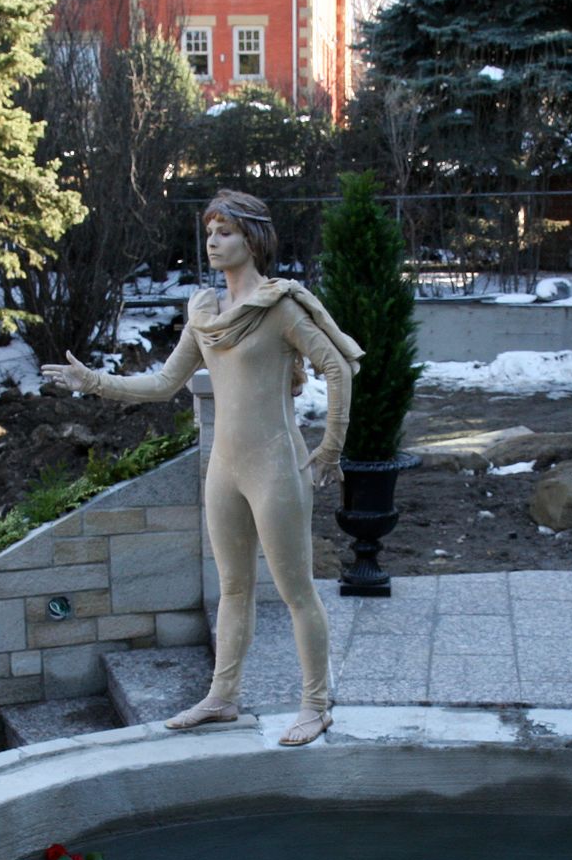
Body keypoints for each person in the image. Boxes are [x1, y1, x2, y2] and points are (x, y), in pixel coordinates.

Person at [44, 191, 359, 747]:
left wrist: (331, 448)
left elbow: (337, 366)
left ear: (253, 239)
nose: (214, 242)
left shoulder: (280, 307)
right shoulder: (205, 314)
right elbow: (164, 384)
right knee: (232, 589)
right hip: (225, 469)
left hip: (276, 467)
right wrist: (92, 381)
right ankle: (222, 697)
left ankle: (315, 704)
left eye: (226, 232)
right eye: (210, 232)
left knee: (295, 591)